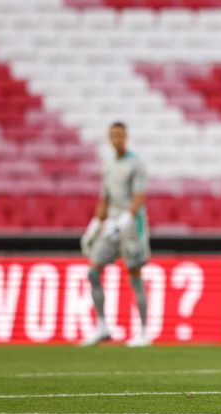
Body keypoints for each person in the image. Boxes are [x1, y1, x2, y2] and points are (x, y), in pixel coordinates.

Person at [79, 122, 151, 348]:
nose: (116, 139)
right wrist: (94, 225)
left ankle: (142, 331)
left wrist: (125, 220)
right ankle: (102, 326)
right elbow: (104, 199)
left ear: (125, 136)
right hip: (110, 224)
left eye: (119, 135)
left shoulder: (135, 163)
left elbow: (139, 197)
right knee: (93, 270)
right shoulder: (109, 165)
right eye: (113, 136)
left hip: (130, 224)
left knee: (134, 274)